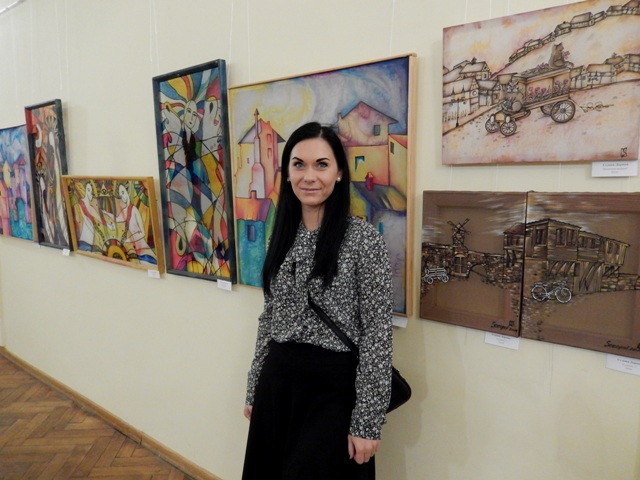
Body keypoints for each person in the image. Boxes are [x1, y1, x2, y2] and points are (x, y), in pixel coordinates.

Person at [242, 122, 393, 480]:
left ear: (339, 173)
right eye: (299, 165)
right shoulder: (281, 236)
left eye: (322, 165)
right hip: (278, 383)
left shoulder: (362, 239)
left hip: (332, 391)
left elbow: (377, 333)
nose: (309, 176)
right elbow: (270, 316)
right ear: (287, 172)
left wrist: (367, 421)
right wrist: (255, 384)